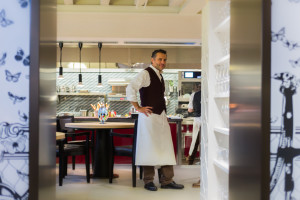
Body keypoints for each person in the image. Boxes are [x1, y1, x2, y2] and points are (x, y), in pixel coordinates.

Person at [126, 49, 184, 191]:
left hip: (161, 117)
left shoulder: (160, 76)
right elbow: (130, 88)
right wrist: (138, 107)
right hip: (149, 118)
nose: (162, 62)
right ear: (152, 60)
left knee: (166, 148)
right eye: (159, 59)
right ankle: (148, 181)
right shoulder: (146, 73)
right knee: (149, 148)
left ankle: (167, 180)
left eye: (164, 60)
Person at [187, 87, 201, 188]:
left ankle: (190, 160)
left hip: (198, 119)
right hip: (208, 120)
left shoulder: (194, 94)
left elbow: (190, 109)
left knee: (195, 141)